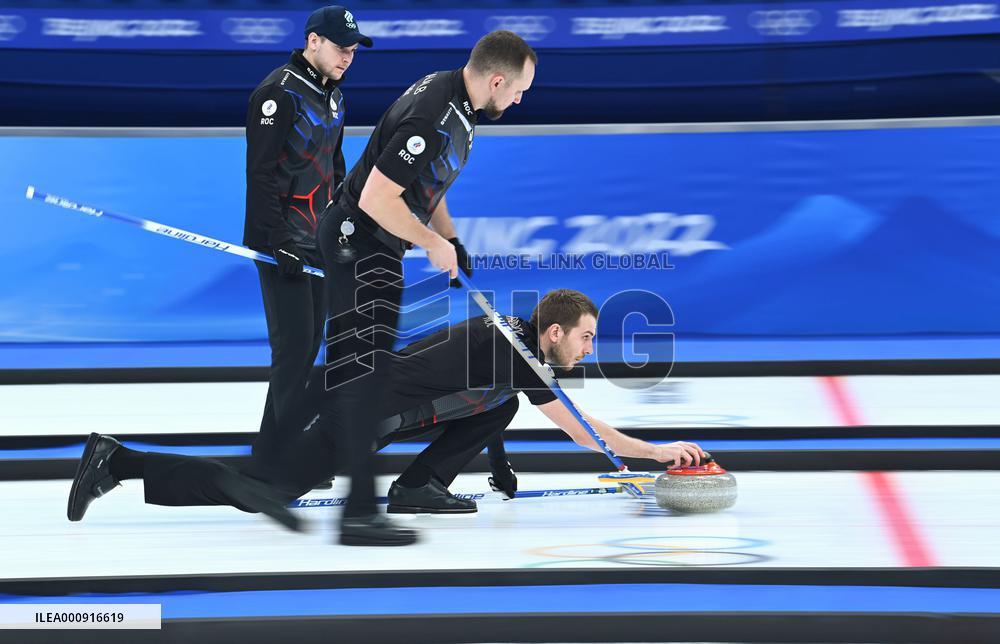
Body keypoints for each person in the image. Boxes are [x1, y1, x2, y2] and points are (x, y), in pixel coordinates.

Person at [67, 290, 705, 533]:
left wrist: (498, 464)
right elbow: (585, 432)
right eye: (587, 337)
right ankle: (118, 461)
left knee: (502, 407)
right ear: (556, 332)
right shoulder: (519, 355)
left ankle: (419, 486)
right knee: (265, 492)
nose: (590, 349)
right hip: (356, 410)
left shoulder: (513, 340)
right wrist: (657, 452)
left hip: (373, 403)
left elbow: (489, 397)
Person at [309, 29, 538, 543]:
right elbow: (376, 198)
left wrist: (450, 237)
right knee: (363, 376)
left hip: (373, 244)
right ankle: (337, 493)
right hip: (358, 242)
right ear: (497, 80)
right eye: (519, 90)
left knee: (359, 375)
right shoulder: (435, 114)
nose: (520, 99)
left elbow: (427, 184)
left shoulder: (460, 103)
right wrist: (432, 243)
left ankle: (324, 469)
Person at [242, 6, 371, 464]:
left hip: (317, 244)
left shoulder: (334, 97)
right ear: (313, 41)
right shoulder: (278, 93)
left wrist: (343, 230)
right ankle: (282, 460)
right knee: (293, 351)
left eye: (353, 50)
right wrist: (276, 241)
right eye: (341, 48)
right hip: (280, 245)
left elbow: (335, 169)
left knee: (307, 350)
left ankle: (267, 455)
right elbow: (259, 173)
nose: (348, 57)